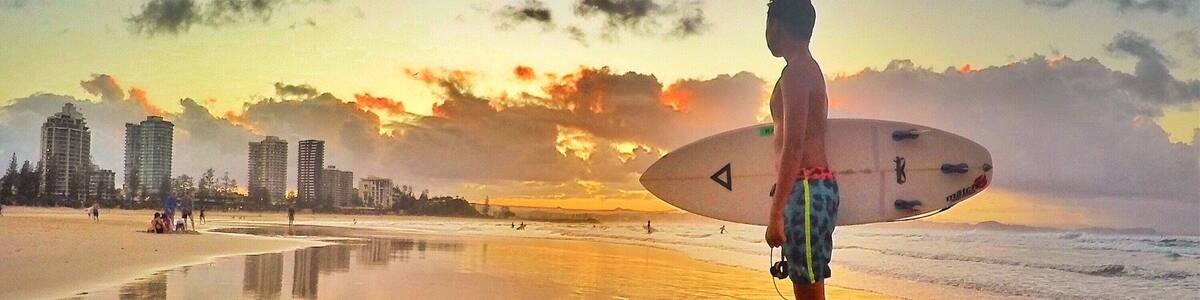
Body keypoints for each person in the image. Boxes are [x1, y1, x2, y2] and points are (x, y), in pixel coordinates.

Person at [762, 1, 839, 299]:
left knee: (808, 294)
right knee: (807, 287)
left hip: (807, 190)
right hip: (808, 188)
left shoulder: (797, 72)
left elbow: (793, 146)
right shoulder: (804, 69)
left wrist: (776, 213)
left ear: (776, 26)